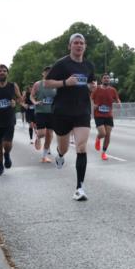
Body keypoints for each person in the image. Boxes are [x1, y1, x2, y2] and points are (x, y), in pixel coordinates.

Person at [44, 34, 96, 200]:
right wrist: (65, 83)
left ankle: (80, 188)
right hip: (62, 111)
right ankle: (60, 155)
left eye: (81, 43)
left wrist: (92, 86)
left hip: (82, 110)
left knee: (81, 147)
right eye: (76, 43)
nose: (79, 45)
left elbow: (91, 83)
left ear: (85, 46)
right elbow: (47, 83)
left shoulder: (89, 65)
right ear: (70, 46)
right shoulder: (62, 64)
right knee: (64, 148)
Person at [91, 73, 121, 160]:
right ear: (101, 80)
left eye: (108, 78)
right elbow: (91, 98)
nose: (106, 79)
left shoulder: (113, 90)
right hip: (98, 114)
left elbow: (117, 99)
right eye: (104, 78)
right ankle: (98, 138)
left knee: (108, 135)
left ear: (109, 80)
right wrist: (93, 105)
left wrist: (119, 103)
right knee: (102, 133)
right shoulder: (97, 89)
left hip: (108, 115)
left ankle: (103, 153)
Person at [32, 66, 56, 163]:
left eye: (50, 72)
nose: (48, 73)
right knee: (42, 134)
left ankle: (44, 156)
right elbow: (31, 96)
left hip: (52, 113)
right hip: (40, 111)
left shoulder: (55, 84)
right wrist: (35, 102)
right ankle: (38, 136)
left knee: (49, 135)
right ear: (43, 73)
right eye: (46, 71)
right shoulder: (38, 84)